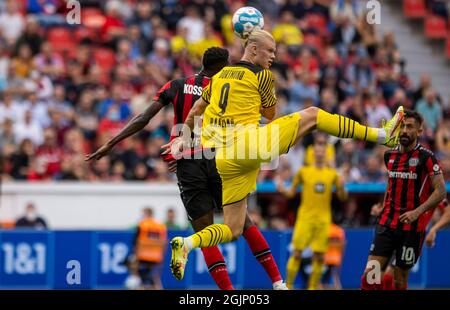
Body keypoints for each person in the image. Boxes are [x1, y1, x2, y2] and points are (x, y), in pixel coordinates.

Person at [168, 29, 404, 283]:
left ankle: (188, 243)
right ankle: (382, 135)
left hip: (224, 160)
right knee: (313, 114)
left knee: (233, 229)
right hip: (249, 145)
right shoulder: (263, 76)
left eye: (275, 52)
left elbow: (194, 111)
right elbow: (270, 114)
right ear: (254, 49)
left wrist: (181, 140)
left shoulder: (220, 75)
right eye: (270, 51)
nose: (273, 57)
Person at [86, 47, 286, 290]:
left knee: (205, 232)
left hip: (189, 164)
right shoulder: (231, 86)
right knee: (243, 222)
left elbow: (143, 118)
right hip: (220, 158)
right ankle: (277, 281)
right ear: (224, 66)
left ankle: (229, 294)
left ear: (202, 64)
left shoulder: (177, 85)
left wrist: (109, 144)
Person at [360, 109, 446, 290]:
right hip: (387, 224)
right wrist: (383, 206)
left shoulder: (427, 157)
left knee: (398, 281)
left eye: (409, 127)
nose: (405, 130)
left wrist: (417, 212)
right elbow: (391, 183)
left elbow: (441, 192)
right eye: (402, 126)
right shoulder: (389, 155)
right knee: (370, 275)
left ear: (419, 132)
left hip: (412, 230)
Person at [277, 133, 348, 290]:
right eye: (317, 150)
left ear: (326, 153)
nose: (319, 152)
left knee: (319, 256)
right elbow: (291, 193)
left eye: (322, 150)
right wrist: (282, 189)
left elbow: (343, 197)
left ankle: (313, 287)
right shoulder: (303, 172)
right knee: (297, 253)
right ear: (313, 153)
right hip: (305, 219)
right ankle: (287, 286)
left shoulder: (332, 174)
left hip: (323, 220)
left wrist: (342, 185)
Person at [371, 198, 450, 290]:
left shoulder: (432, 189)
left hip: (411, 237)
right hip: (390, 231)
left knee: (391, 277)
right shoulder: (399, 187)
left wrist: (433, 229)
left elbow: (448, 211)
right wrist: (381, 211)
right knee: (377, 277)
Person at [130, 207, 167, 290]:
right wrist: (162, 256)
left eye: (143, 213)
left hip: (143, 256)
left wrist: (135, 254)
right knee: (154, 277)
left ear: (147, 214)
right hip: (156, 256)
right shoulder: (161, 226)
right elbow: (164, 242)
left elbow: (136, 241)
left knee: (141, 277)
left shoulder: (142, 225)